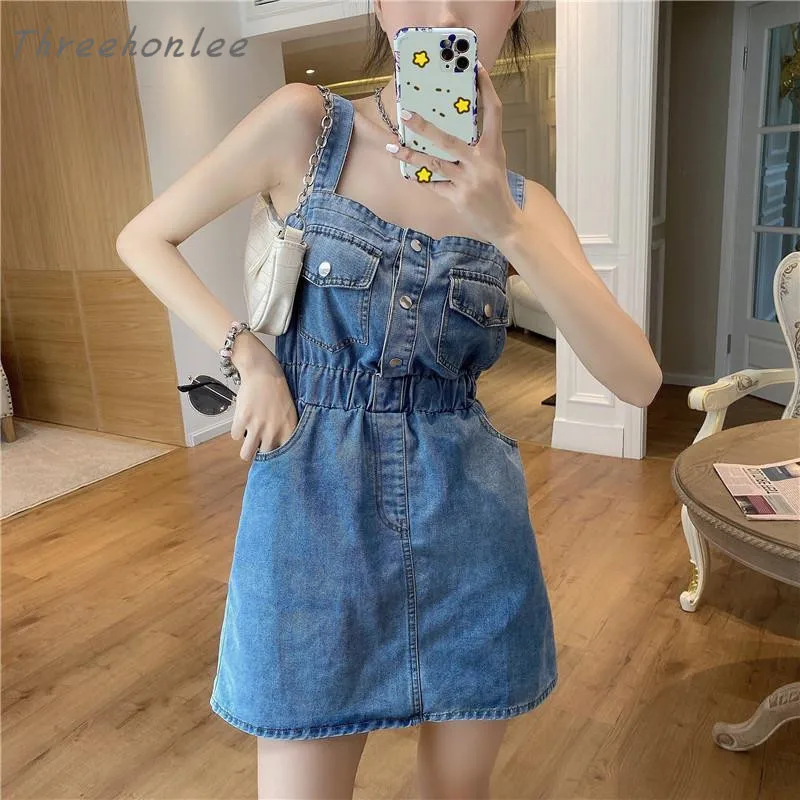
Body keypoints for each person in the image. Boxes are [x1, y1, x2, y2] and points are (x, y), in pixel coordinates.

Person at [116, 2, 663, 797]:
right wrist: (251, 357)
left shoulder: (527, 205)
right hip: (311, 524)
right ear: (377, 4)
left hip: (471, 534)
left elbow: (639, 381)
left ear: (515, 6)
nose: (444, 13)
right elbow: (142, 237)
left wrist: (506, 227)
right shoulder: (307, 128)